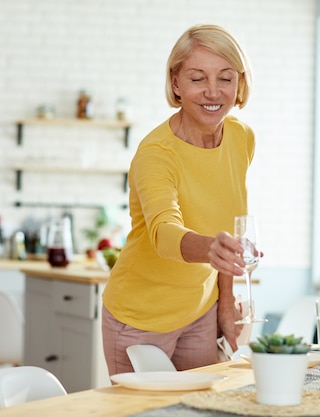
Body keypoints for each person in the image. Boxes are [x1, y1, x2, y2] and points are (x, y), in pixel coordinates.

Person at [101, 24, 256, 375]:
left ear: (240, 83)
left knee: (199, 410)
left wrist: (225, 303)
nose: (213, 92)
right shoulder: (156, 153)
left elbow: (228, 226)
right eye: (198, 78)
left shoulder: (241, 138)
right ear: (176, 83)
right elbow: (164, 233)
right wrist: (211, 250)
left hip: (199, 309)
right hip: (139, 316)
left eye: (226, 78)